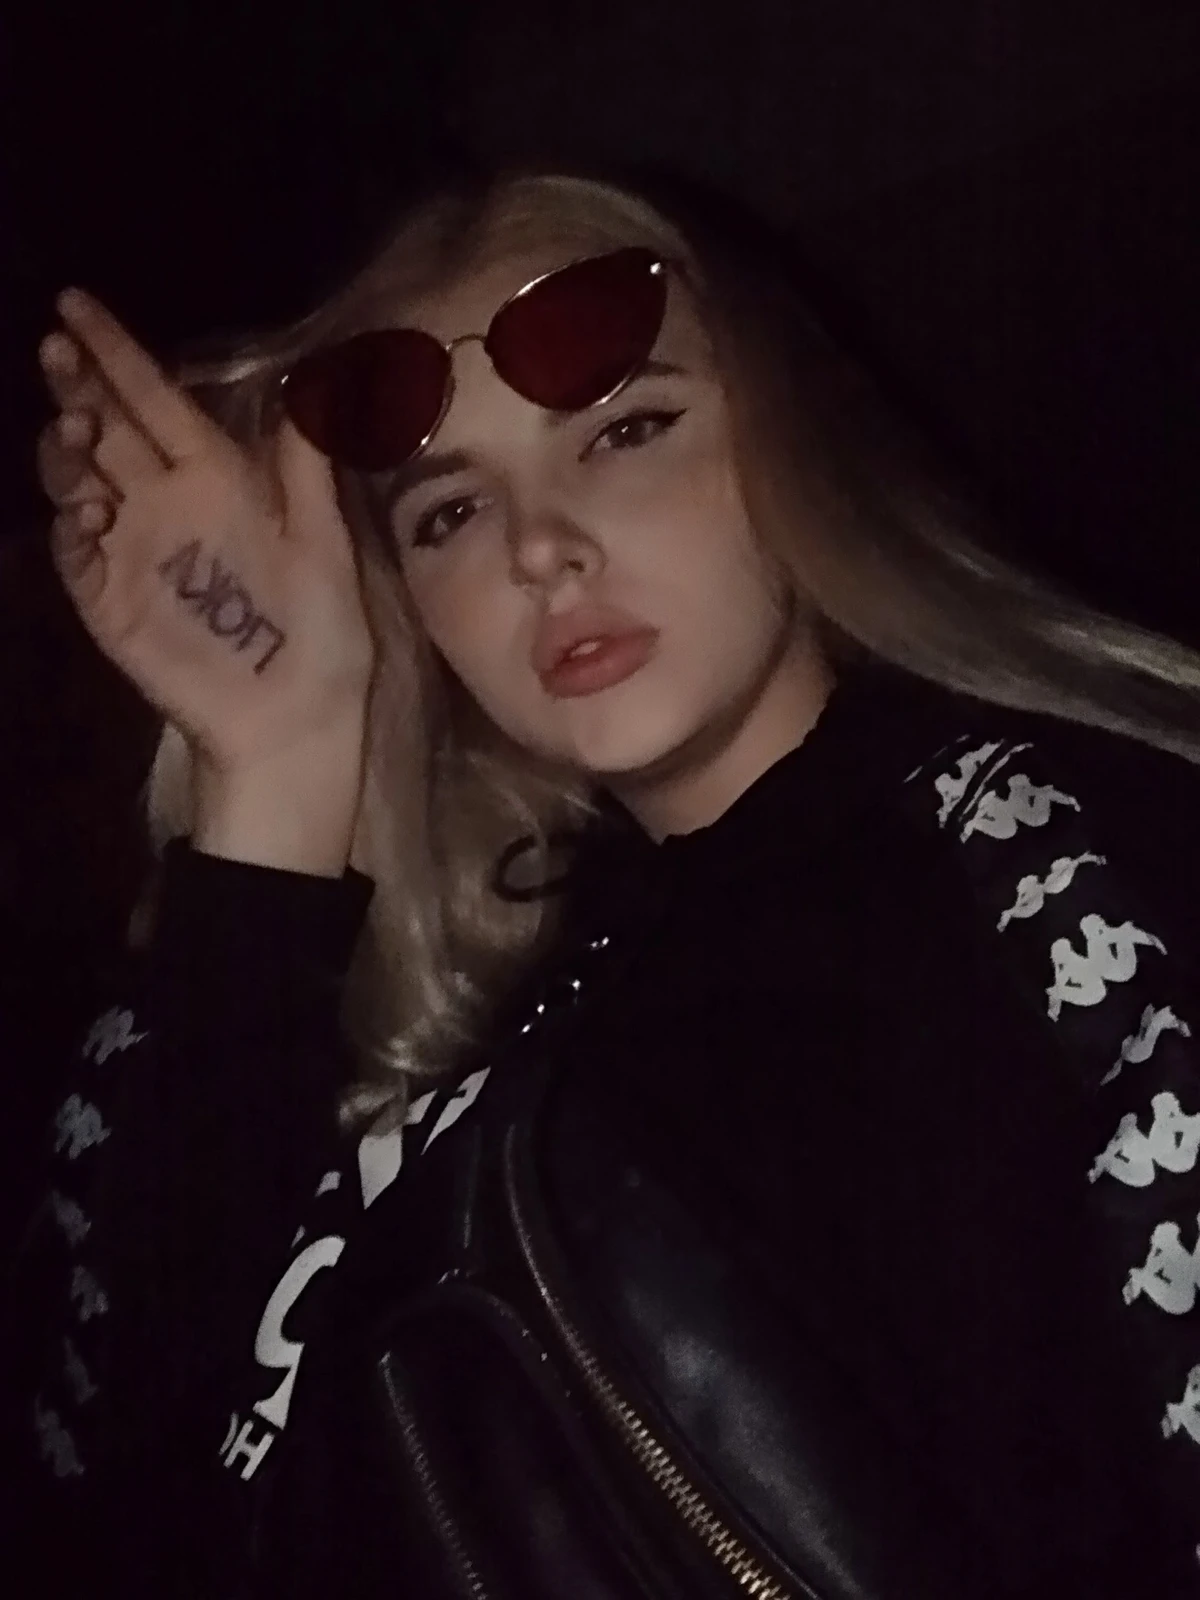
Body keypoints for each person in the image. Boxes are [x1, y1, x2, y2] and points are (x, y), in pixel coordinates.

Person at [15, 157, 1200, 1599]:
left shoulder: (1036, 874)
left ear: (792, 434)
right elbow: (147, 1494)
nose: (538, 548)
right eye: (446, 511)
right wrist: (282, 757)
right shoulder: (520, 1006)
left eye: (626, 430)